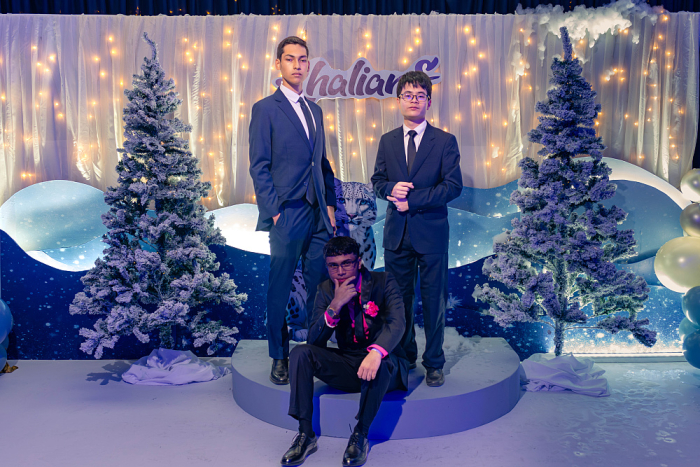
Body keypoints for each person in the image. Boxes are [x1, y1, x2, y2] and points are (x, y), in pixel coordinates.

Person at [249, 36, 336, 385]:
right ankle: (279, 355)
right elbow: (259, 166)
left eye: (302, 59)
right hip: (287, 213)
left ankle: (314, 353)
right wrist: (274, 212)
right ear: (278, 64)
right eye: (290, 59)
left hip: (318, 215)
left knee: (319, 288)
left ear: (308, 64)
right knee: (280, 289)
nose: (297, 65)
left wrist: (330, 206)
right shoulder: (265, 109)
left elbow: (322, 163)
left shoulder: (315, 110)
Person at [282, 236, 408, 467]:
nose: (340, 271)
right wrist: (335, 306)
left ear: (358, 262)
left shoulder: (383, 281)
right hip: (349, 364)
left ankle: (360, 435)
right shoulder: (325, 290)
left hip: (384, 364)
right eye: (333, 265)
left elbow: (397, 324)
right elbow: (315, 341)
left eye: (346, 263)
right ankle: (305, 434)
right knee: (301, 353)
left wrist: (376, 353)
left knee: (381, 363)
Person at [371, 71, 462, 387]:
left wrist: (412, 200)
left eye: (419, 95)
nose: (413, 100)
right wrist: (389, 189)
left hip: (431, 234)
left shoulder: (445, 141)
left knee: (435, 300)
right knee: (398, 301)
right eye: (407, 95)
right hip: (396, 236)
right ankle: (404, 355)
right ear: (398, 101)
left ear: (429, 102)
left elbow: (453, 186)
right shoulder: (387, 140)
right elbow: (377, 181)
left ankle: (434, 362)